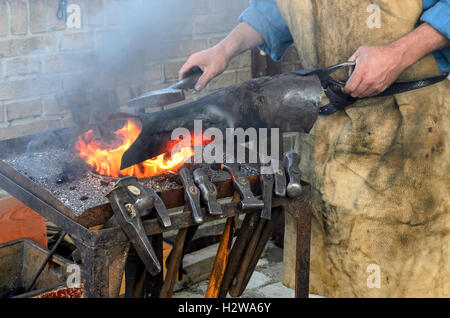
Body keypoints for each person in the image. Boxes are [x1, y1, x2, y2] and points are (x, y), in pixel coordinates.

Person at [179, 0, 450, 297]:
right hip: (327, 132)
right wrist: (223, 50)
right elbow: (274, 11)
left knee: (407, 277)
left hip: (409, 133)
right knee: (337, 270)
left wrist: (398, 54)